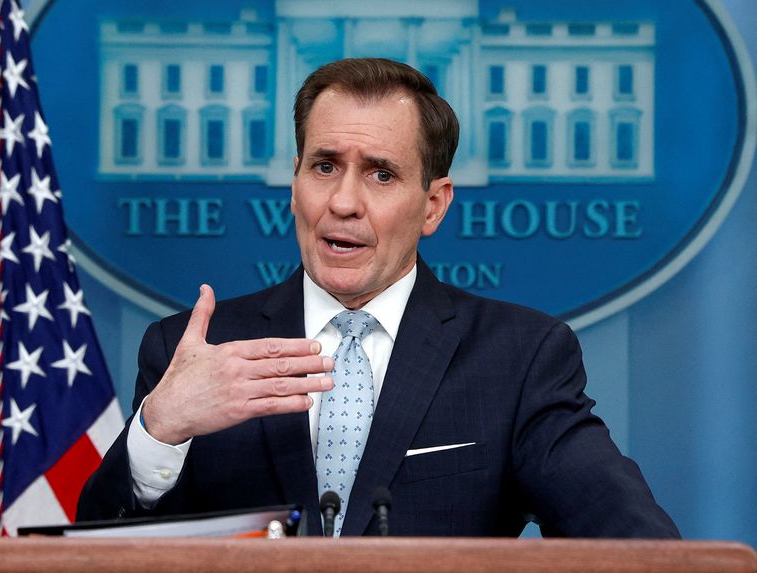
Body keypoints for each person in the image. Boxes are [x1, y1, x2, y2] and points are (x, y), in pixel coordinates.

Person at [77, 58, 679, 538]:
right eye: (324, 166)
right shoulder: (195, 349)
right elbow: (95, 548)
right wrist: (158, 431)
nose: (342, 202)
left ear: (434, 205)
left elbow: (635, 544)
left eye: (381, 174)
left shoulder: (517, 359)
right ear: (294, 183)